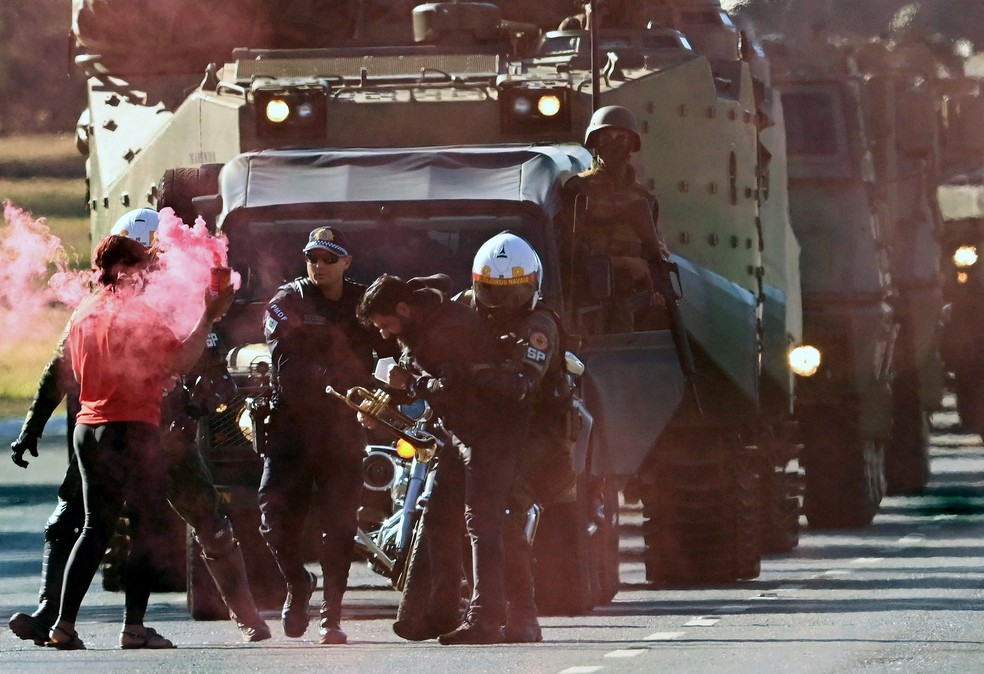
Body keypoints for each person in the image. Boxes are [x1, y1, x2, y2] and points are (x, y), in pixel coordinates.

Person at [8, 210, 271, 647]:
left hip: (161, 430)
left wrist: (192, 410)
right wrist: (33, 425)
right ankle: (49, 612)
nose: (153, 268)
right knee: (71, 521)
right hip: (125, 425)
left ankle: (245, 615)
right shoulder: (114, 307)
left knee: (209, 523)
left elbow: (215, 373)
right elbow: (59, 372)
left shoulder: (181, 295)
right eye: (146, 259)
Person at [40, 234, 233, 650]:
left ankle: (63, 625)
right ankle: (134, 627)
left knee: (95, 527)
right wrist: (209, 316)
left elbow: (70, 372)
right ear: (127, 270)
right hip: (131, 428)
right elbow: (181, 360)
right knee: (149, 528)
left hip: (87, 430)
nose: (148, 275)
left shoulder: (82, 312)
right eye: (143, 267)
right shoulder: (138, 314)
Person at [356, 273, 531, 645]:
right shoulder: (423, 325)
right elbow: (429, 382)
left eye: (386, 324)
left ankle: (487, 619)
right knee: (439, 520)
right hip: (462, 434)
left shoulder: (446, 329)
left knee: (483, 523)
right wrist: (387, 401)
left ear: (403, 309)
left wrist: (409, 385)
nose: (384, 334)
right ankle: (442, 612)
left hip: (491, 432)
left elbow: (450, 387)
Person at [258, 226, 384, 645]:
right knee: (274, 520)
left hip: (342, 429)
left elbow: (392, 344)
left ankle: (332, 615)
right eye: (313, 257)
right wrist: (334, 377)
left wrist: (387, 384)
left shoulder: (363, 302)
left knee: (339, 525)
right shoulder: (287, 301)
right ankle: (298, 583)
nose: (319, 265)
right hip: (293, 427)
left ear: (346, 262)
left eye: (330, 258)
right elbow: (287, 369)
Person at [459, 232, 578, 643]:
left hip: (536, 436)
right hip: (484, 430)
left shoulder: (539, 326)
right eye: (490, 291)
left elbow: (520, 385)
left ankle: (523, 615)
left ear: (532, 287)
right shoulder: (465, 309)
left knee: (505, 513)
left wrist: (470, 372)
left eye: (510, 293)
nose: (497, 303)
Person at [560, 104, 670, 333]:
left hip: (630, 304)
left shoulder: (645, 200)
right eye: (607, 137)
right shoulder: (577, 190)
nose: (615, 144)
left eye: (622, 137)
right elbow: (568, 257)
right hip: (585, 301)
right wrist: (623, 263)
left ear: (632, 145)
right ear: (595, 142)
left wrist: (656, 277)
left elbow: (653, 252)